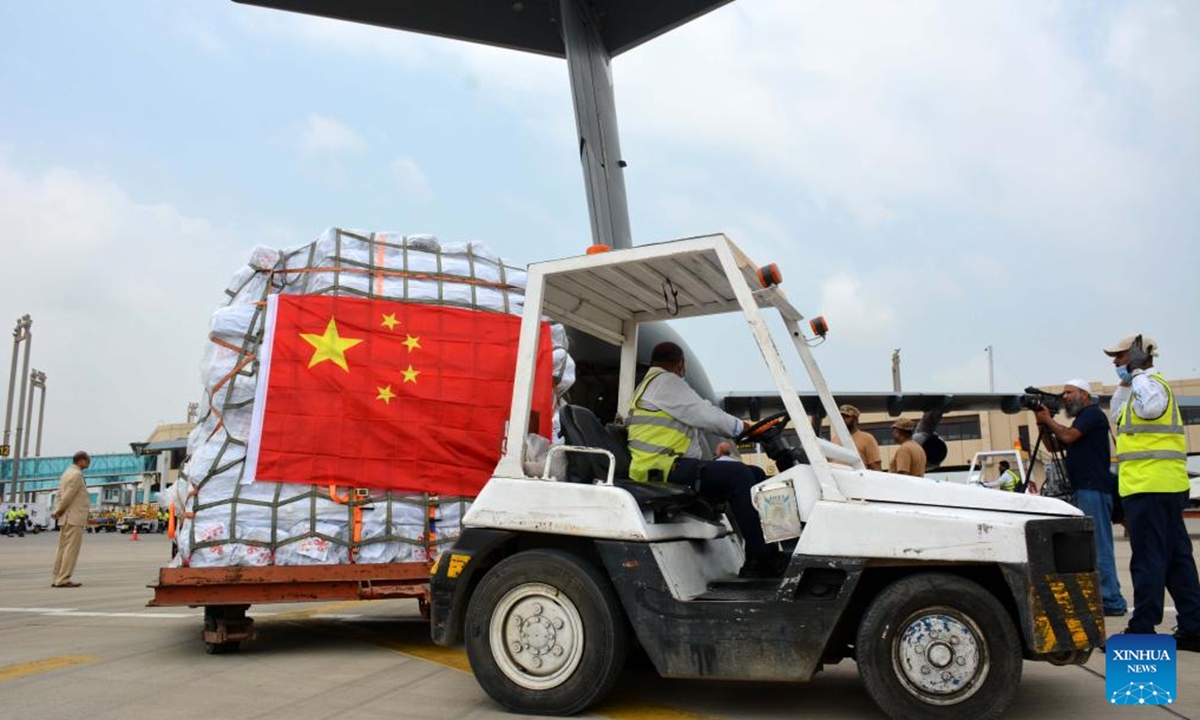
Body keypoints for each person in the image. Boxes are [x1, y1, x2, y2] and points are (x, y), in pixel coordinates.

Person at [627, 342, 780, 577]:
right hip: (661, 468)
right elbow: (706, 413)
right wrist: (746, 428)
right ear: (680, 364)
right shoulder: (666, 382)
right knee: (739, 475)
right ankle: (760, 559)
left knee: (756, 475)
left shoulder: (652, 385)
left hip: (666, 464)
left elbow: (689, 430)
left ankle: (768, 554)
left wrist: (714, 457)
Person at [1105, 334, 1200, 651]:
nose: (1115, 363)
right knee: (1177, 558)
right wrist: (1127, 381)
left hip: (1150, 487)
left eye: (1120, 356)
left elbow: (1151, 409)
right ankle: (1194, 626)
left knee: (1148, 558)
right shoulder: (1137, 390)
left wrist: (1137, 373)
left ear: (1135, 355)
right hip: (1163, 486)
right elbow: (1117, 412)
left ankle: (1143, 628)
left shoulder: (1153, 385)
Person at [1034, 379, 1128, 617]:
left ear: (1084, 394)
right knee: (1091, 545)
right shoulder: (1081, 419)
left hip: (1092, 488)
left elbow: (1068, 437)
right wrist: (1041, 423)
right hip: (1084, 488)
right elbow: (1054, 446)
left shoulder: (1092, 414)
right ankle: (1107, 596)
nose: (1064, 396)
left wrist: (1049, 420)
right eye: (1063, 392)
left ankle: (1111, 599)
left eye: (1069, 392)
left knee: (1099, 545)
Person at [50, 451, 91, 588]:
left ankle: (56, 577)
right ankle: (64, 579)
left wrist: (57, 510)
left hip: (65, 517)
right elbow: (68, 496)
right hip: (73, 517)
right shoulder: (77, 475)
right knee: (71, 549)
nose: (88, 464)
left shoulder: (66, 473)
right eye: (87, 461)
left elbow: (59, 494)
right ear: (81, 460)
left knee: (62, 548)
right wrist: (59, 510)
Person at [834, 404, 882, 470]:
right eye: (841, 417)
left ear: (856, 420)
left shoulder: (867, 438)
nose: (843, 420)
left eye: (847, 416)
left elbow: (876, 468)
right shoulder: (835, 439)